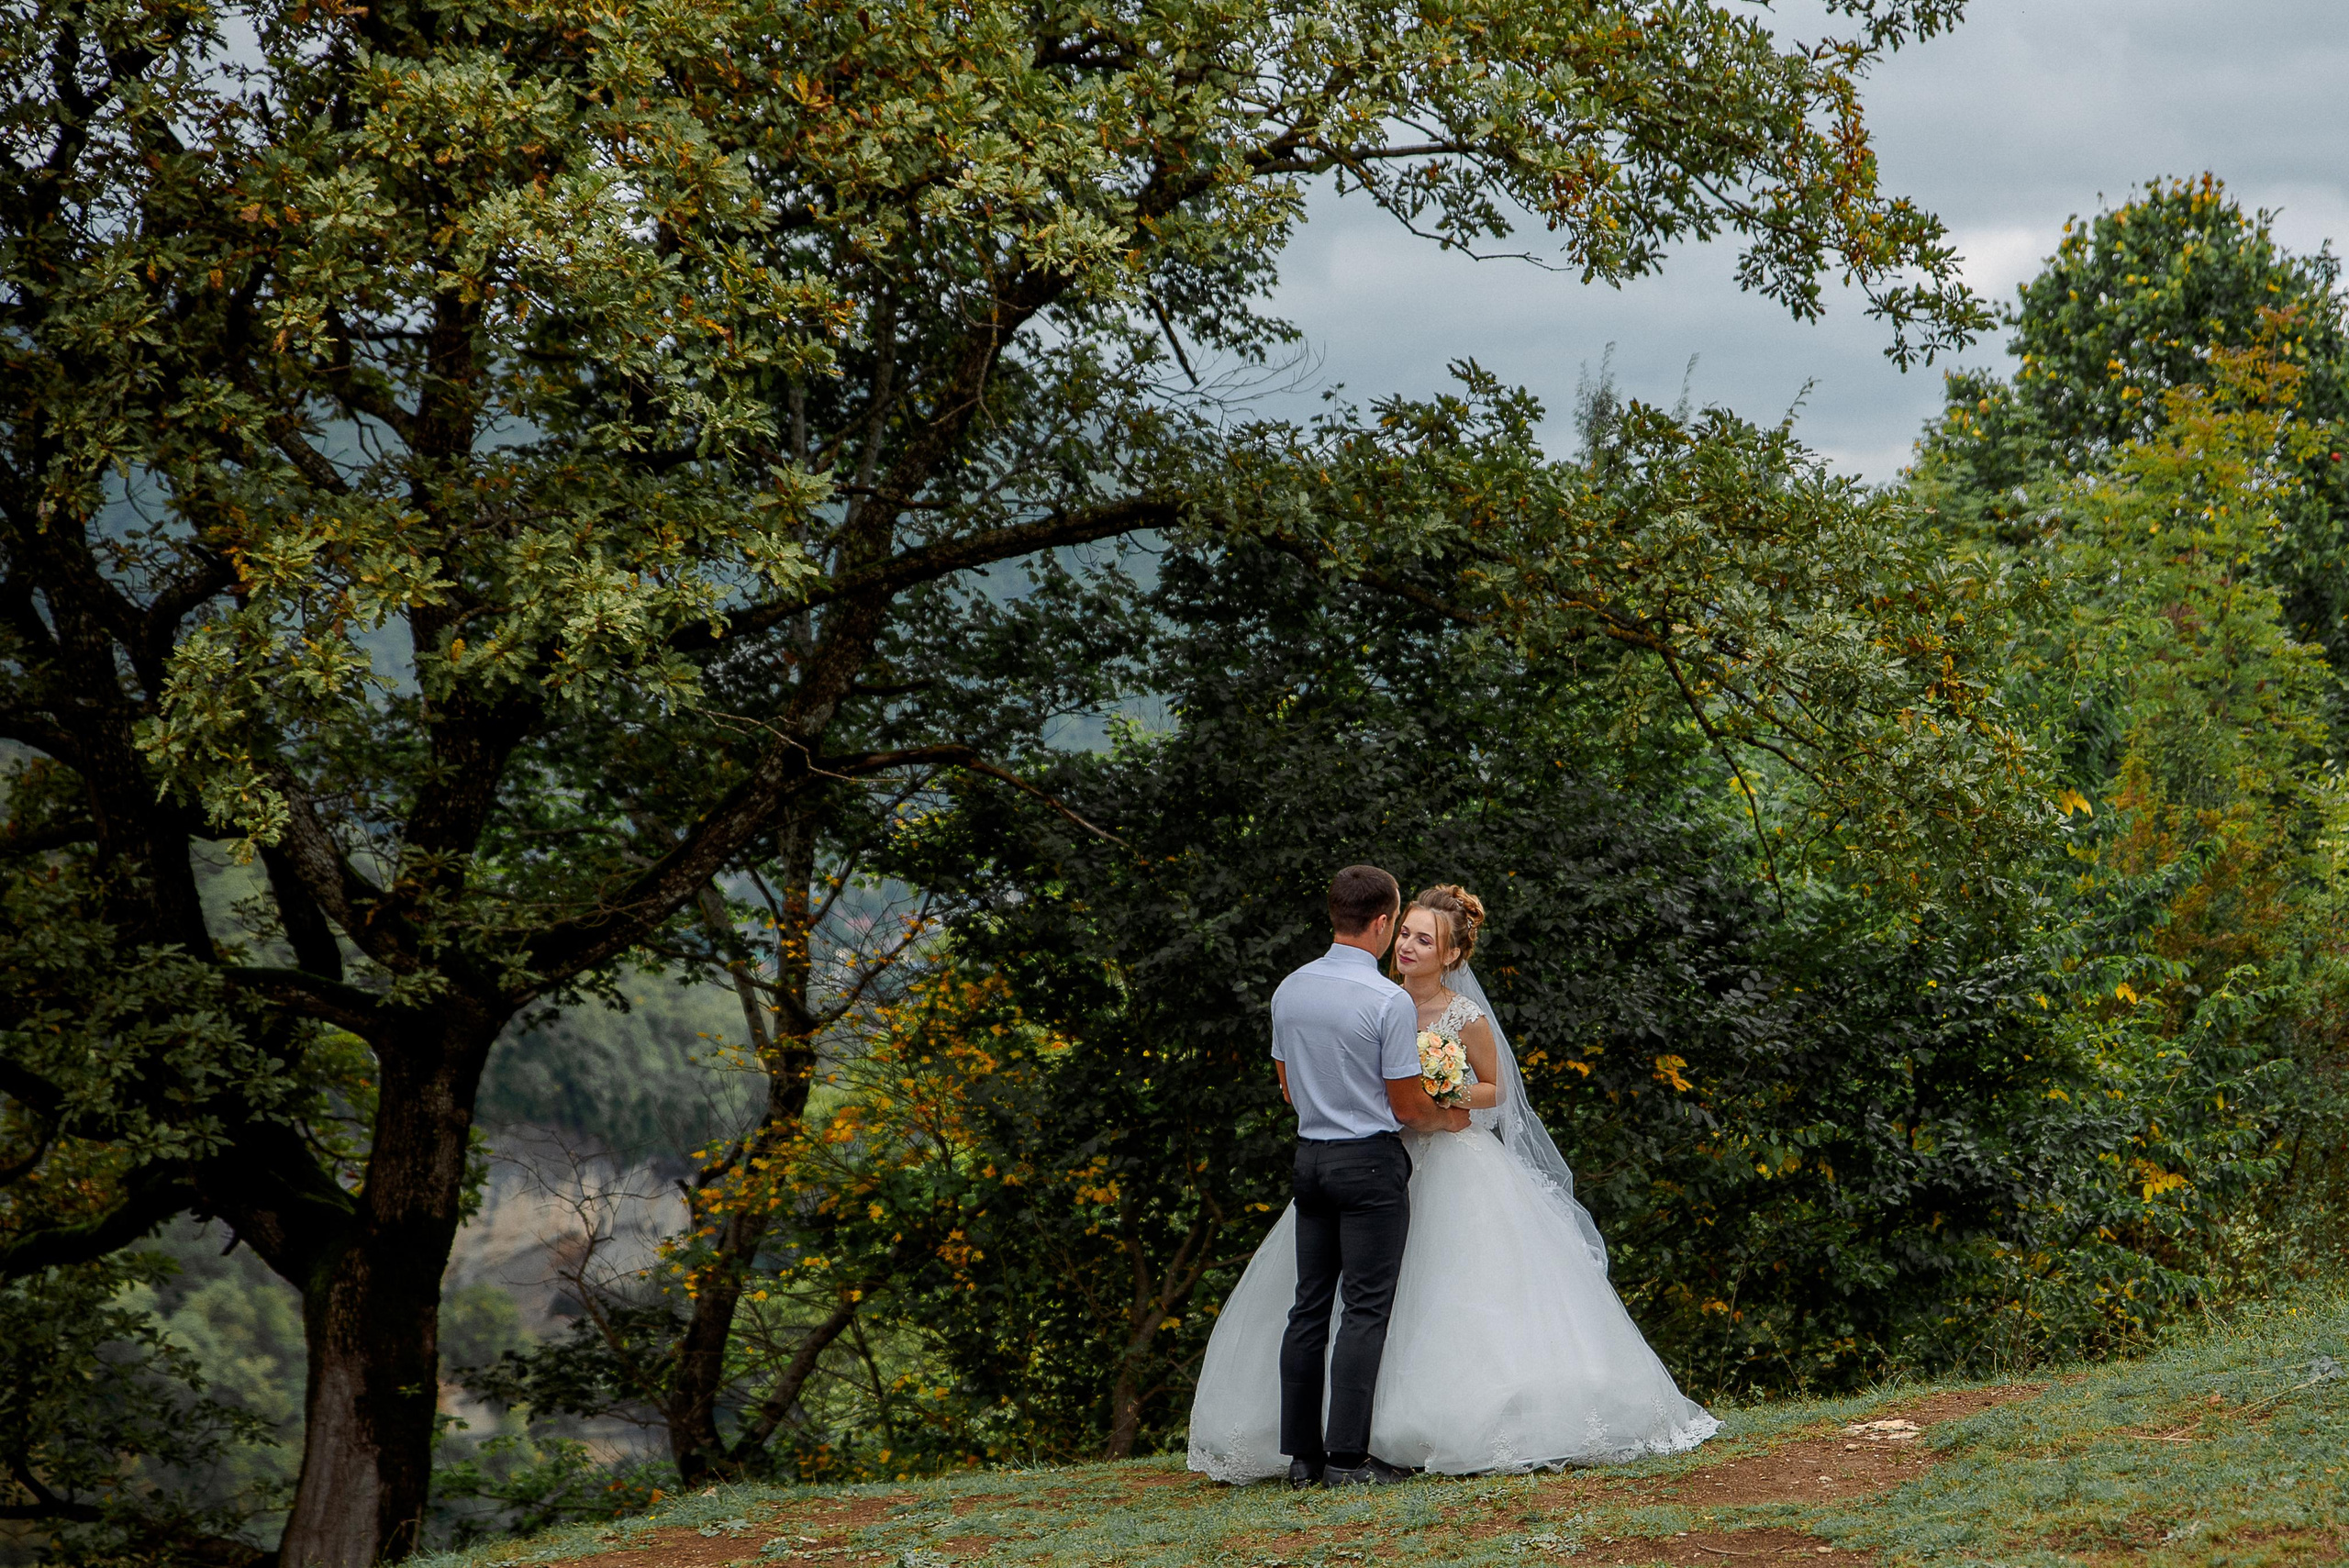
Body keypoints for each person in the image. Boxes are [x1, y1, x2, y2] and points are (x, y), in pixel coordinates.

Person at [1188, 881, 1719, 1485]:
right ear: (1388, 928)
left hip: (1443, 1161)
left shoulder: (1463, 1015)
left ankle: (1395, 1430)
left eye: (1424, 938)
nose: (1409, 946)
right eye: (1406, 933)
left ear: (1451, 955)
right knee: (1354, 1304)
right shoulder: (1376, 1000)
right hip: (1384, 1156)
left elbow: (1497, 1089)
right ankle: (1346, 1446)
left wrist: (1451, 1092)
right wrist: (1419, 1106)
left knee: (1435, 1291)